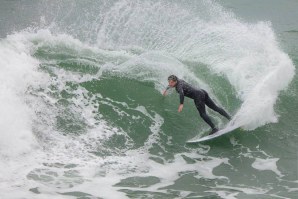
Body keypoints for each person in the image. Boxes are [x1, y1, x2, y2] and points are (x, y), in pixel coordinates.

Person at [163, 75, 231, 135]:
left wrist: (181, 104)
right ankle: (230, 118)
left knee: (202, 114)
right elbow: (171, 85)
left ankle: (214, 128)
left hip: (198, 96)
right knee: (215, 108)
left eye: (171, 82)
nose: (170, 84)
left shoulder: (178, 87)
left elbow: (181, 93)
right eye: (169, 82)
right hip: (202, 92)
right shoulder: (180, 81)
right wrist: (166, 90)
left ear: (175, 81)